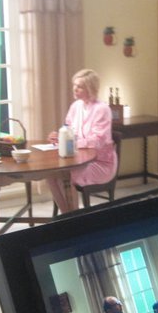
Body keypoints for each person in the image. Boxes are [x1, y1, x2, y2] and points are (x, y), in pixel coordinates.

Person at [47, 69, 118, 213]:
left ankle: (73, 219)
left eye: (79, 86)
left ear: (90, 88)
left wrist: (71, 142)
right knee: (50, 175)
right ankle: (68, 215)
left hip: (100, 163)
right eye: (74, 85)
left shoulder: (102, 109)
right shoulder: (76, 106)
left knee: (64, 176)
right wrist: (58, 136)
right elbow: (67, 128)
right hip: (78, 158)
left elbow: (97, 141)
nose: (75, 88)